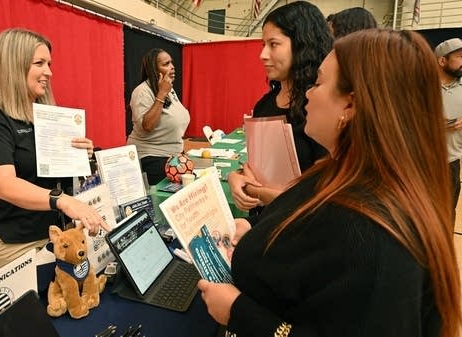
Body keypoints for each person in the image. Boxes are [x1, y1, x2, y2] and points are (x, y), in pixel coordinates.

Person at [198, 29, 461, 337]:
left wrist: (239, 312)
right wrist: (257, 237)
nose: (309, 92)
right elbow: (310, 254)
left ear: (350, 106)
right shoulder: (340, 174)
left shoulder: (373, 236)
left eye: (319, 82)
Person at [0, 28, 109, 275]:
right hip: (11, 241)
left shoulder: (45, 116)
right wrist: (62, 201)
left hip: (52, 235)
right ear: (13, 66)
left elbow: (52, 175)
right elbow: (5, 185)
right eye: (39, 63)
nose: (49, 72)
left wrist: (82, 158)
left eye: (49, 64)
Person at [228, 1, 332, 212]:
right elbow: (259, 168)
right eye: (263, 45)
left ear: (302, 44)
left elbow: (326, 196)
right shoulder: (263, 105)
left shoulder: (320, 109)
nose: (263, 55)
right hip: (263, 222)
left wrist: (259, 193)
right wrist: (237, 177)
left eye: (273, 44)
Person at [126, 48, 190, 185]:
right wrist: (161, 94)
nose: (172, 67)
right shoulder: (142, 92)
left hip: (173, 156)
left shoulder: (169, 89)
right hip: (151, 157)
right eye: (166, 64)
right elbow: (147, 126)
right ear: (154, 70)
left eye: (171, 63)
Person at [435, 38, 462, 221]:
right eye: (459, 57)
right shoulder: (421, 87)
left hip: (450, 162)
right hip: (421, 162)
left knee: (446, 216)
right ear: (442, 61)